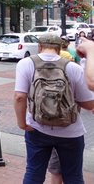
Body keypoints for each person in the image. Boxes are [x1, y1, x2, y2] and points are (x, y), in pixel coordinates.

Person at [14, 34, 94, 183]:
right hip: (70, 131)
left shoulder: (25, 64)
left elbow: (19, 97)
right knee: (73, 176)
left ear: (39, 47)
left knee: (34, 172)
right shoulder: (73, 67)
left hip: (37, 128)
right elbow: (89, 104)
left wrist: (22, 124)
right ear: (59, 49)